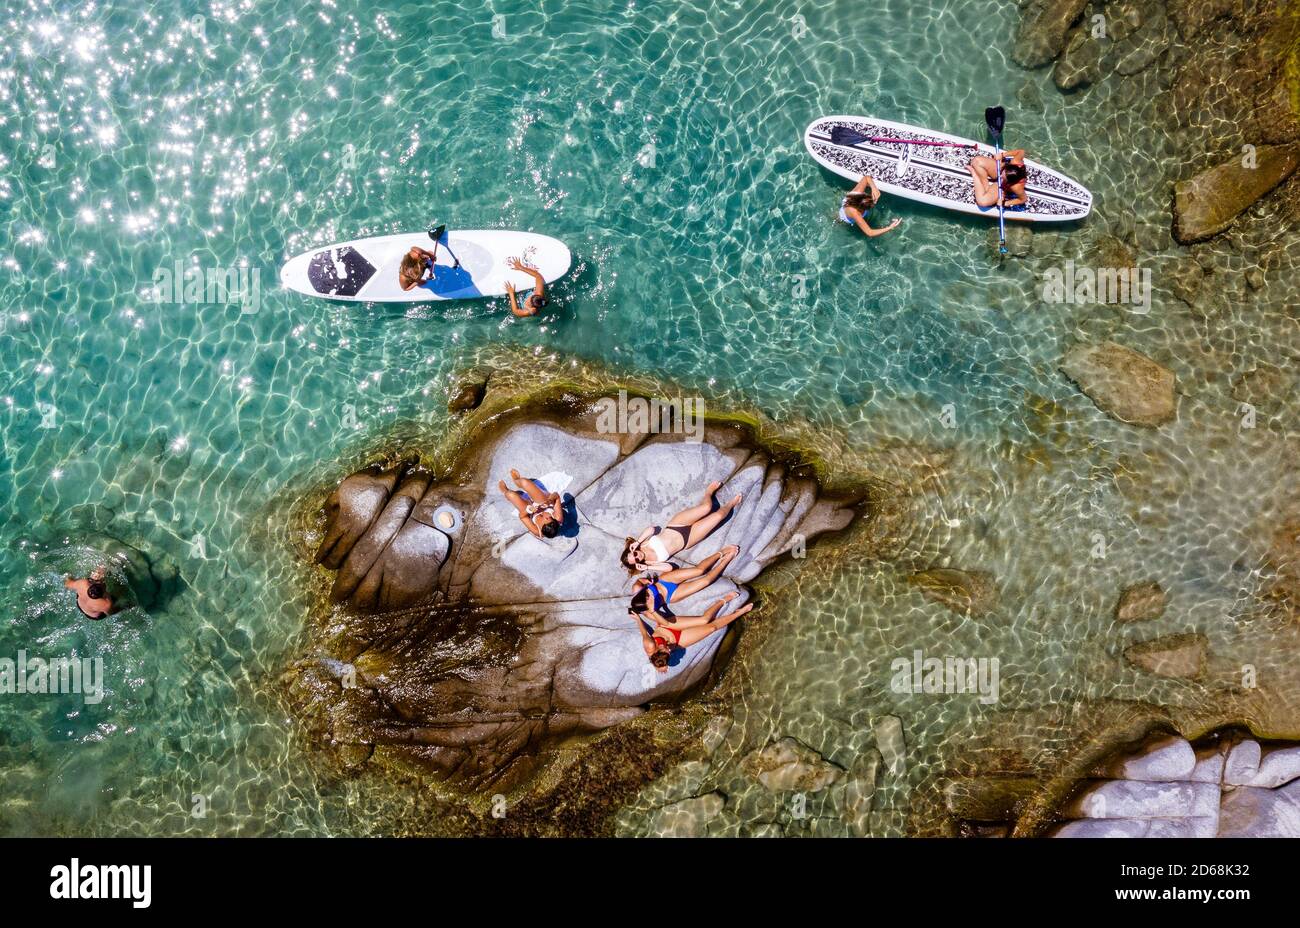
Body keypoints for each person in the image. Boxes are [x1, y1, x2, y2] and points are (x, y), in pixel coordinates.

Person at [621, 480, 743, 573]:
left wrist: (638, 541)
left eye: (635, 554)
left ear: (633, 550)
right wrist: (647, 567)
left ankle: (708, 492)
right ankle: (732, 504)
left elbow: (651, 529)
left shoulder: (642, 544)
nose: (638, 557)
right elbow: (669, 568)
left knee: (707, 508)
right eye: (636, 560)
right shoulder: (649, 562)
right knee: (719, 516)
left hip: (676, 525)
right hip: (688, 540)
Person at [633, 591, 754, 672]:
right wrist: (662, 667)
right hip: (678, 640)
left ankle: (723, 600)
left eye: (667, 651)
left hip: (668, 627)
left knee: (705, 620)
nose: (669, 650)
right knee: (711, 628)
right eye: (669, 653)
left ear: (657, 651)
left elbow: (644, 632)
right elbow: (660, 667)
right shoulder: (663, 658)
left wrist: (638, 618)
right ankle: (740, 612)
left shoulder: (649, 646)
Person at [629, 545, 740, 623]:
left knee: (699, 571)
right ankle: (726, 560)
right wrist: (653, 612)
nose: (651, 598)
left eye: (647, 597)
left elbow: (638, 581)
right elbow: (665, 622)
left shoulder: (637, 589)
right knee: (705, 581)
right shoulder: (648, 612)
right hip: (671, 596)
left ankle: (720, 553)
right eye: (649, 602)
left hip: (664, 581)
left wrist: (646, 581)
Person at [498, 468, 564, 539]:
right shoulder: (558, 518)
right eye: (550, 518)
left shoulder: (537, 531)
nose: (548, 517)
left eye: (546, 519)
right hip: (542, 500)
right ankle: (517, 480)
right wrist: (549, 501)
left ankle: (505, 491)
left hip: (529, 509)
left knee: (510, 495)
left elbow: (522, 517)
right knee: (524, 482)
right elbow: (556, 496)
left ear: (542, 527)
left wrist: (528, 510)